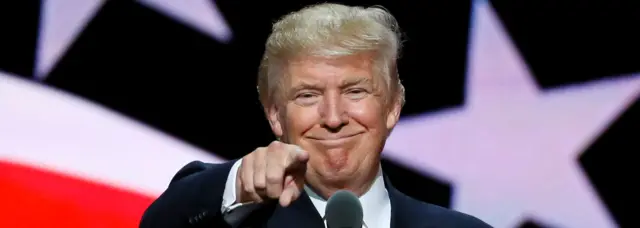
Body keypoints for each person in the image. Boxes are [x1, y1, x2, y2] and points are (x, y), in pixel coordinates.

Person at [139, 3, 492, 228]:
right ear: (275, 116)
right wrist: (239, 185)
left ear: (393, 106)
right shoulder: (238, 220)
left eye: (355, 91)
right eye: (308, 95)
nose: (334, 117)